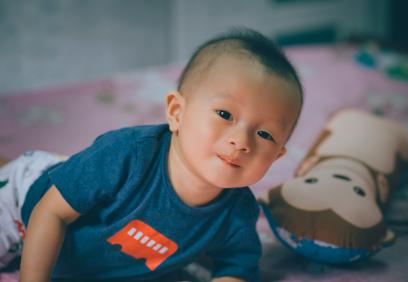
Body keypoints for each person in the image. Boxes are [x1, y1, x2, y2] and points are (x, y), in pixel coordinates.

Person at [0, 28, 303, 281]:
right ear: (176, 112)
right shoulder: (127, 155)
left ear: (276, 156)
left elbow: (235, 269)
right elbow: (50, 212)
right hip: (26, 206)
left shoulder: (237, 213)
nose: (241, 141)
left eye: (265, 134)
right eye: (225, 113)